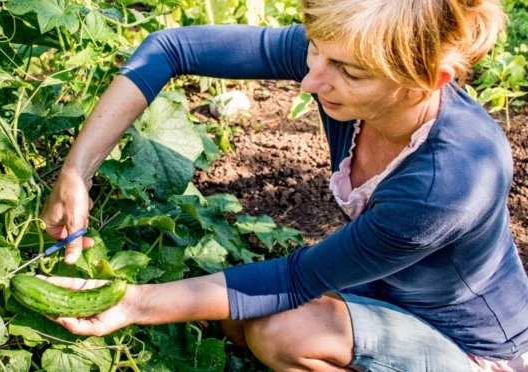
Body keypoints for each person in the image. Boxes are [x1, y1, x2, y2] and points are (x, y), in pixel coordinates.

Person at [39, 0, 528, 370]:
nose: (311, 81)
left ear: (427, 79)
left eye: (349, 72)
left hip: (471, 346)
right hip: (381, 292)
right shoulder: (344, 59)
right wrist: (76, 172)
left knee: (283, 332)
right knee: (229, 316)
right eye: (316, 50)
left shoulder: (449, 181)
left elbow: (293, 280)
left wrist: (133, 303)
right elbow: (171, 48)